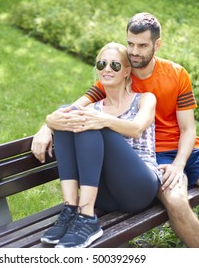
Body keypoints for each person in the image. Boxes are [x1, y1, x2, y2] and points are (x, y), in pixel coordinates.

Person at [32, 12, 199, 248]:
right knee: (177, 201)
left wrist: (179, 164)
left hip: (189, 152)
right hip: (152, 159)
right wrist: (46, 126)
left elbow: (188, 128)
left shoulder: (176, 74)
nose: (134, 52)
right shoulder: (116, 75)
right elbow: (74, 110)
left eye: (142, 46)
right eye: (130, 44)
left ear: (157, 44)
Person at [40, 42, 161, 248]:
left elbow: (136, 128)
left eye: (115, 65)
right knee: (67, 112)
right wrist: (49, 124)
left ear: (126, 71)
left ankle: (87, 218)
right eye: (102, 63)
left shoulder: (144, 99)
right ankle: (71, 209)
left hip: (139, 188)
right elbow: (62, 116)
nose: (107, 69)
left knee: (86, 120)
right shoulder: (94, 109)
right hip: (104, 196)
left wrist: (102, 120)